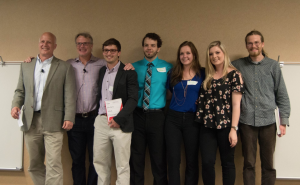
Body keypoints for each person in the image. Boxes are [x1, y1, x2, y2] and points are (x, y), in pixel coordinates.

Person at [24, 32, 134, 185]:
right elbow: (47, 64)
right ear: (76, 46)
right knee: (77, 160)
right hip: (74, 119)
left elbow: (117, 67)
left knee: (96, 159)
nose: (82, 46)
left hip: (95, 118)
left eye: (86, 43)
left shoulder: (102, 64)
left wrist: (128, 65)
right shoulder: (67, 64)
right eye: (79, 44)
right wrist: (31, 60)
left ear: (91, 45)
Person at [11, 32, 76, 185]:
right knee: (34, 164)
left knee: (54, 163)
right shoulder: (26, 65)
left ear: (55, 46)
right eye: (42, 41)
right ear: (38, 43)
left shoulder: (64, 67)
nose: (45, 44)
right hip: (31, 121)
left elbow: (70, 95)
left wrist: (69, 117)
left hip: (54, 121)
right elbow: (20, 91)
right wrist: (15, 105)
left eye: (49, 42)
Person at [231, 30, 290, 185]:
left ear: (262, 44)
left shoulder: (273, 66)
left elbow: (282, 94)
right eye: (250, 43)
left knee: (268, 165)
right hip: (247, 122)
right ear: (246, 45)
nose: (253, 45)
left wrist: (283, 121)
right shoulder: (237, 65)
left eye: (256, 42)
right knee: (249, 163)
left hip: (269, 122)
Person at [195, 41, 244, 185]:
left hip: (227, 126)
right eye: (211, 54)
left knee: (227, 163)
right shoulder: (208, 75)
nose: (214, 56)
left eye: (217, 53)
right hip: (207, 126)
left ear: (224, 53)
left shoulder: (234, 74)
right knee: (207, 162)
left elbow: (236, 104)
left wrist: (234, 129)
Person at [93, 38, 138, 185]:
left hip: (121, 124)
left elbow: (133, 99)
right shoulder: (101, 71)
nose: (109, 53)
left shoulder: (128, 72)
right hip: (101, 122)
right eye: (106, 50)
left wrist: (119, 119)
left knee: (122, 165)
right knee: (100, 163)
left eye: (112, 50)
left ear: (119, 52)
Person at [130, 33, 172, 185]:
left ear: (158, 48)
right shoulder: (132, 67)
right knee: (136, 158)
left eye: (153, 45)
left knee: (159, 159)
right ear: (143, 47)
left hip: (157, 117)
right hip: (137, 115)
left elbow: (172, 92)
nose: (149, 48)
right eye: (146, 45)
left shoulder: (168, 68)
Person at [165, 41, 205, 185]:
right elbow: (169, 95)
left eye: (188, 53)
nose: (185, 56)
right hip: (173, 120)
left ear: (194, 55)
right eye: (182, 53)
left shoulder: (203, 73)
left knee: (192, 159)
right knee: (173, 160)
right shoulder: (173, 73)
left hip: (193, 120)